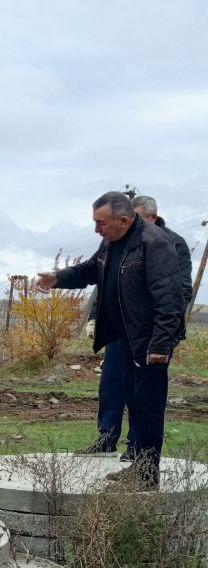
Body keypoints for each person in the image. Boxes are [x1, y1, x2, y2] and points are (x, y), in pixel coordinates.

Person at [34, 191, 184, 489]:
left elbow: (170, 300)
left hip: (148, 340)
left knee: (148, 406)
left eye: (100, 223)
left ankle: (146, 475)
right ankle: (138, 468)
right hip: (124, 338)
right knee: (133, 401)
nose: (96, 229)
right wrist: (59, 277)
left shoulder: (155, 244)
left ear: (125, 220)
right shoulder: (111, 242)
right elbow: (91, 270)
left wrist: (160, 345)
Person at [88, 194, 192, 457]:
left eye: (138, 219)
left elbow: (178, 292)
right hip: (118, 330)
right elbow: (107, 284)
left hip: (147, 333)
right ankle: (107, 438)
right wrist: (94, 316)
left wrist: (162, 334)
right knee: (112, 385)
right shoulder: (117, 243)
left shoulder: (170, 243)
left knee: (143, 395)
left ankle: (137, 449)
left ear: (152, 218)